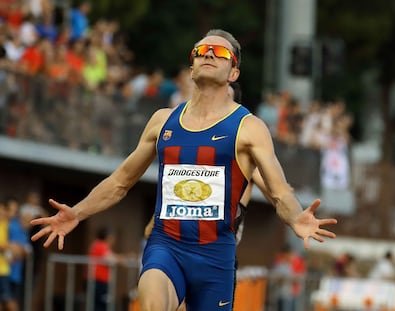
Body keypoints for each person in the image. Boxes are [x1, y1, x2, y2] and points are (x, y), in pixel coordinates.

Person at [31, 29, 337, 311]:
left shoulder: (249, 128)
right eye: (202, 50)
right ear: (191, 67)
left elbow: (280, 191)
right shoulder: (162, 121)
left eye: (221, 53)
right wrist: (78, 213)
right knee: (152, 300)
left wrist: (296, 216)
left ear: (234, 73)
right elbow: (120, 181)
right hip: (167, 245)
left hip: (216, 257)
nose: (209, 54)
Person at [86, 226, 120, 311]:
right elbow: (110, 259)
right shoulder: (101, 245)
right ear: (108, 237)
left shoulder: (96, 244)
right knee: (101, 306)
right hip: (99, 282)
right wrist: (124, 260)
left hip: (95, 281)